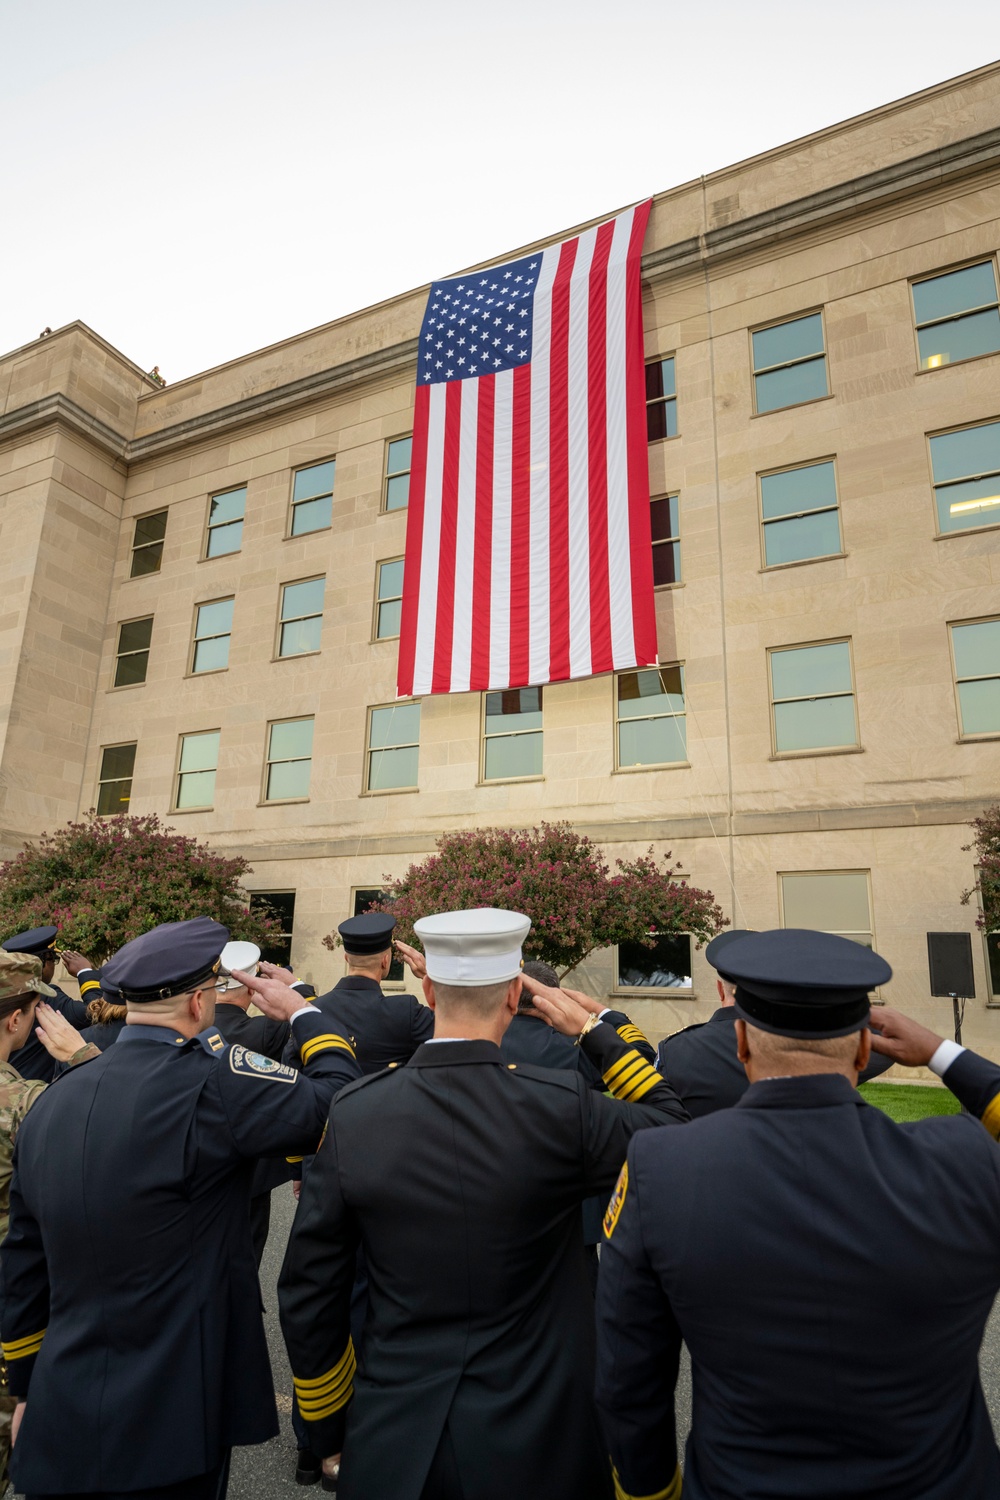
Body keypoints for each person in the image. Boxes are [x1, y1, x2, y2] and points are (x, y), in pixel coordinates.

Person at [275, 907, 690, 1500]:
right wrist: (596, 1028)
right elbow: (671, 1129)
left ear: (427, 989)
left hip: (395, 1432)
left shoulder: (356, 1111)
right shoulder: (561, 1107)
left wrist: (327, 1427)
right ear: (518, 992)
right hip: (544, 1435)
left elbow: (311, 1288)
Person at [596, 927, 1000, 1500]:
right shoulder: (968, 1162)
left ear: (741, 1042)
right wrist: (942, 1053)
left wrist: (650, 1491)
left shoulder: (663, 1167)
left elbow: (627, 1373)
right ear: (865, 1050)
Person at [0, 916, 361, 1500]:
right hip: (173, 1410)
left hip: (62, 1403)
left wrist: (24, 1391)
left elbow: (24, 1266)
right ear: (199, 1003)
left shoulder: (49, 1103)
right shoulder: (216, 1083)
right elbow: (338, 1104)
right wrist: (304, 1013)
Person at [0, 953, 100, 1490]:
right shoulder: (29, 1104)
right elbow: (107, 1147)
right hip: (12, 1302)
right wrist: (85, 1060)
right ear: (18, 1019)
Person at [501, 958, 657, 1288]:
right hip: (570, 1211)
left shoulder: (485, 1043)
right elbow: (641, 1059)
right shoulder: (575, 1051)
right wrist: (603, 1014)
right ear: (555, 998)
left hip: (495, 1206)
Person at [655, 928, 892, 1116]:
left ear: (720, 989)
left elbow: (656, 1117)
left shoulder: (675, 1051)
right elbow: (888, 1045)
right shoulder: (813, 1040)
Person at [212, 940, 293, 1266]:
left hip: (194, 1162)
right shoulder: (266, 1030)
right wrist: (293, 988)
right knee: (246, 1262)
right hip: (252, 1170)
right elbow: (318, 1020)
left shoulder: (189, 1022)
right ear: (250, 986)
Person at [289, 913, 433, 1075]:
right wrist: (429, 976)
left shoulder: (311, 1011)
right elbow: (455, 1038)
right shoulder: (405, 1012)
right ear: (385, 961)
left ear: (347, 958)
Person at [1, 928, 90, 1082]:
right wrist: (86, 972)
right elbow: (93, 1012)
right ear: (15, 1020)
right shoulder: (28, 1098)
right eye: (52, 959)